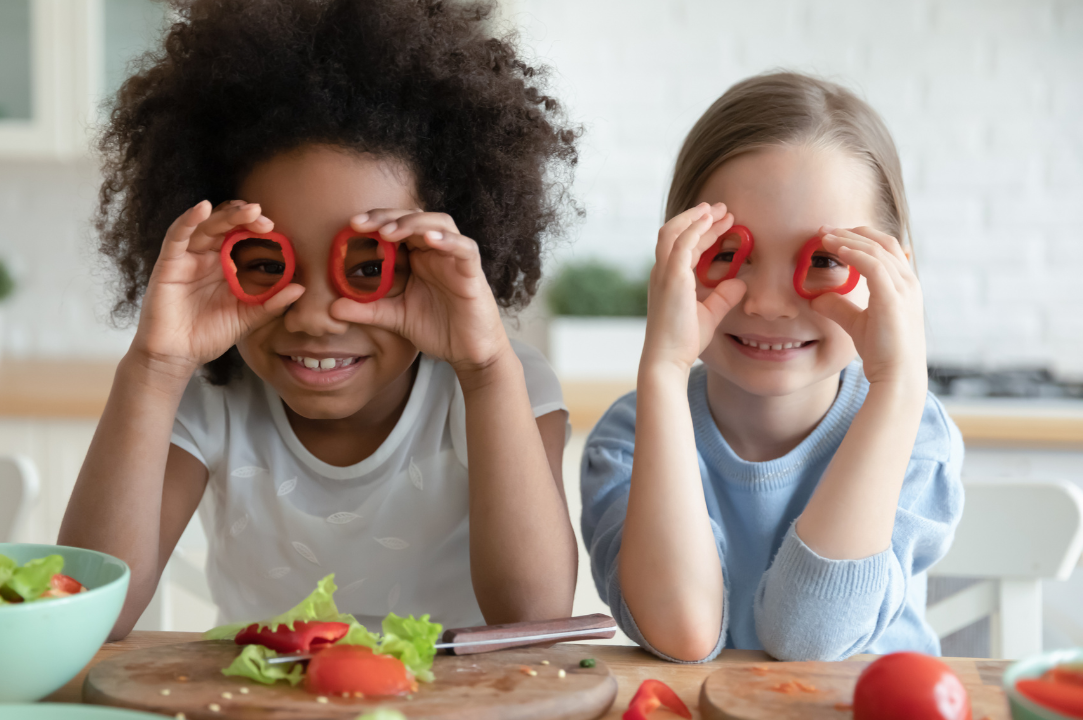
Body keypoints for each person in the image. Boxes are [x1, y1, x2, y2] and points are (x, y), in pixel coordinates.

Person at [60, 0, 581, 639]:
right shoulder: (207, 396)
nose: (312, 316)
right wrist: (153, 367)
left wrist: (487, 368)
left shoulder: (501, 385)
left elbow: (535, 617)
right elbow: (87, 615)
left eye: (368, 270)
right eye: (264, 263)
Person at [581, 72, 964, 662]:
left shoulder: (917, 432)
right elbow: (681, 632)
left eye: (825, 260)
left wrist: (900, 384)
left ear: (895, 281)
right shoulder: (630, 438)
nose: (766, 302)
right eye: (728, 254)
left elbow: (809, 637)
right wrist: (662, 367)